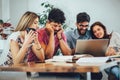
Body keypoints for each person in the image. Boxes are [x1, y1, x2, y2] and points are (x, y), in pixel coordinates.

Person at [65, 12, 102, 80]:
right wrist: (79, 49)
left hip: (89, 62)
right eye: (81, 25)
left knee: (98, 74)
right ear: (76, 24)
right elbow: (66, 53)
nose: (84, 28)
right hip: (74, 64)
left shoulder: (91, 33)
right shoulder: (68, 35)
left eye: (86, 26)